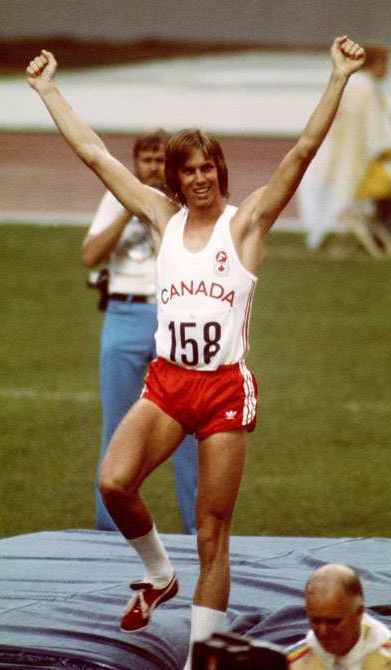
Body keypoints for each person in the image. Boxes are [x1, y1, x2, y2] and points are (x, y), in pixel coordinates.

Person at [26, 35, 365, 669]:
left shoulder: (248, 223)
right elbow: (97, 156)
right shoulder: (162, 219)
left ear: (220, 172)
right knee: (114, 482)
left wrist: (339, 78)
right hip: (166, 384)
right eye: (190, 170)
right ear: (177, 178)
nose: (201, 178)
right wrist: (48, 90)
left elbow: (302, 151)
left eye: (209, 167)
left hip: (222, 393)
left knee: (212, 533)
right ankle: (158, 575)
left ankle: (200, 657)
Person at [82, 128, 198, 534]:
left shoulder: (182, 206)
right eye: (145, 160)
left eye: (158, 160)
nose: (151, 167)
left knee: (186, 425)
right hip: (124, 312)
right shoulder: (114, 199)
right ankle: (108, 528)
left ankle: (196, 527)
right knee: (117, 423)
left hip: (173, 317)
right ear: (134, 164)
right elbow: (90, 256)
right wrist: (127, 210)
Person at [298, 42, 391, 256]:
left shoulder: (348, 81)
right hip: (350, 154)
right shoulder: (365, 86)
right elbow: (376, 131)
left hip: (331, 149)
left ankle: (332, 236)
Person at [287, 564, 391, 669]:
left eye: (333, 622)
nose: (323, 631)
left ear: (359, 612)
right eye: (315, 621)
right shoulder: (291, 664)